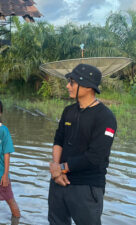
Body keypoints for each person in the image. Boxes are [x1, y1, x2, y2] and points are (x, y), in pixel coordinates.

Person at [48, 64, 117, 225]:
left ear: (87, 86)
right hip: (59, 181)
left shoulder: (105, 117)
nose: (67, 86)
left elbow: (96, 156)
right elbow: (58, 140)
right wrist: (56, 169)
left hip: (86, 187)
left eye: (71, 82)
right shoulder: (69, 111)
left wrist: (61, 168)